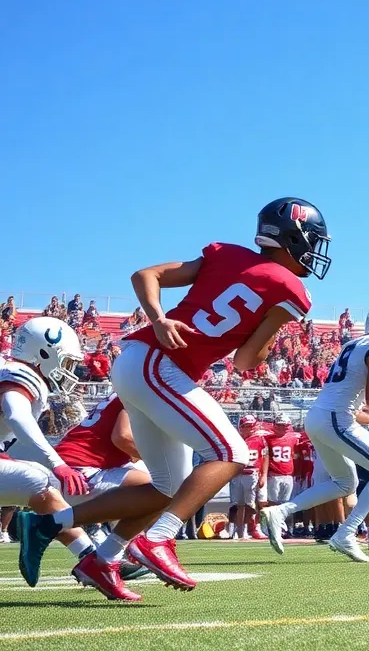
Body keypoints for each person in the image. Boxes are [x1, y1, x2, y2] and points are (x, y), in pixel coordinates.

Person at [21, 198, 330, 601]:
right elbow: (247, 361)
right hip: (158, 364)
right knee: (232, 451)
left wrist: (157, 316)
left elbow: (145, 274)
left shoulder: (227, 254)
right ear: (294, 237)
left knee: (169, 486)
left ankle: (76, 541)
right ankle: (159, 539)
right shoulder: (291, 289)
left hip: (146, 363)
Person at [259, 304, 369, 559]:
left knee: (345, 483)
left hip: (318, 417)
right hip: (336, 419)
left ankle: (280, 512)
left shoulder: (353, 344)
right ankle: (346, 533)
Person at [3, 318, 100, 589]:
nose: (69, 371)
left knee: (44, 487)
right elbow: (16, 415)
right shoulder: (20, 374)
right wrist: (57, 463)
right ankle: (94, 560)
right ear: (43, 353)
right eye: (66, 362)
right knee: (42, 481)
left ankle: (92, 558)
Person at [230, 415, 269, 540]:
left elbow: (265, 457)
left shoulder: (259, 439)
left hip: (252, 473)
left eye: (251, 426)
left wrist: (263, 475)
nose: (249, 429)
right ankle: (238, 530)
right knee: (237, 504)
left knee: (250, 505)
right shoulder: (234, 439)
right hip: (236, 473)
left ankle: (249, 529)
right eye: (246, 426)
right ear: (240, 427)